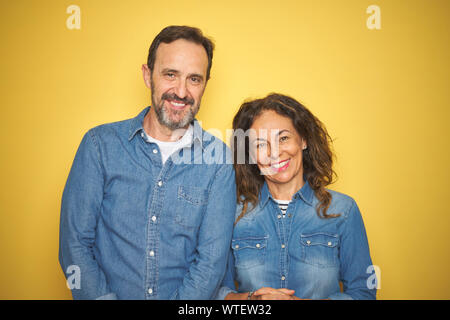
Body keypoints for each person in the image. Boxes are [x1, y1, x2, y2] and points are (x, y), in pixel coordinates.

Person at [59, 25, 236, 300]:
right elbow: (74, 246)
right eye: (170, 74)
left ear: (204, 85)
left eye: (194, 79)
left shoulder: (219, 161)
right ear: (147, 75)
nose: (181, 91)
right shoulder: (99, 146)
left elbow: (211, 264)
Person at [217, 93, 376, 300]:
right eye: (261, 145)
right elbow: (217, 292)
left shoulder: (343, 210)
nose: (275, 153)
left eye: (283, 138)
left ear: (303, 140)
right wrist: (251, 300)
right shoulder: (233, 213)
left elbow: (364, 293)